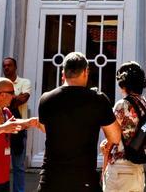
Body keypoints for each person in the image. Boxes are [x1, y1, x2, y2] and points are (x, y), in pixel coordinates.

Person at [37, 52, 121, 191]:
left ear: (63, 73)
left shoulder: (46, 99)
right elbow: (115, 137)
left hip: (51, 179)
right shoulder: (98, 100)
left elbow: (46, 129)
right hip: (83, 179)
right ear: (85, 72)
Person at [0, 77, 41, 192]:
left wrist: (30, 122)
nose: (14, 96)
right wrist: (2, 128)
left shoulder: (6, 111)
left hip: (3, 177)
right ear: (2, 94)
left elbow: (14, 123)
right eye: (11, 92)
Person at [101, 61, 146, 192]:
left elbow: (113, 137)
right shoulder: (145, 103)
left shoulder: (121, 105)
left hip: (120, 169)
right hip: (137, 169)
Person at [2, 57, 32, 192]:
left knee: (18, 165)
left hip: (19, 129)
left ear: (15, 67)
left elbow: (23, 99)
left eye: (9, 65)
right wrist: (15, 97)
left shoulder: (25, 82)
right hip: (3, 130)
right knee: (2, 164)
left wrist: (7, 98)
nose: (6, 68)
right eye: (4, 66)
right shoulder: (0, 84)